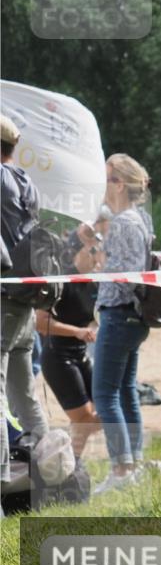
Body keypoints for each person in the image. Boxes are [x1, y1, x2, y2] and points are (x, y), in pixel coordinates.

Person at [91, 154, 154, 494]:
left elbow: (126, 274)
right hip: (133, 316)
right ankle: (134, 463)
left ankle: (121, 468)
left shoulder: (123, 222)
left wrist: (101, 268)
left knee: (105, 393)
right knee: (126, 390)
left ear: (118, 184)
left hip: (119, 313)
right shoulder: (138, 219)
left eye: (106, 178)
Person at [1, 114, 50, 488]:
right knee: (25, 397)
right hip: (23, 303)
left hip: (3, 299)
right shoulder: (25, 181)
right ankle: (55, 475)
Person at [37, 223, 102, 456]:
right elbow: (40, 322)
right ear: (77, 253)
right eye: (91, 251)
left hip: (81, 354)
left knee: (106, 409)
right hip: (58, 357)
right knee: (84, 418)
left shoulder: (94, 282)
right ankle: (67, 462)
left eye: (97, 250)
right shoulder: (61, 281)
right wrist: (76, 331)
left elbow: (94, 318)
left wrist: (94, 329)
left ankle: (67, 461)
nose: (96, 256)